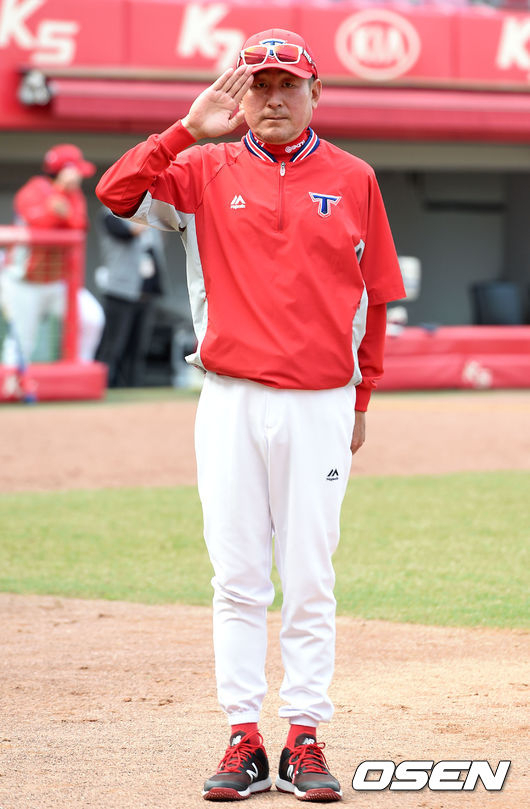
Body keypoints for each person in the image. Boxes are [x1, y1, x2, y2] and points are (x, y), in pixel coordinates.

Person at [96, 28, 405, 803]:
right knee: (236, 576)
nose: (272, 98)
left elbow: (375, 299)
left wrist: (361, 399)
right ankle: (244, 735)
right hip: (230, 397)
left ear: (315, 93)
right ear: (239, 94)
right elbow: (116, 193)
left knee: (309, 575)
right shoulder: (201, 169)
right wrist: (185, 128)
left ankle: (303, 734)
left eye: (287, 84)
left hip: (321, 402)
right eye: (258, 84)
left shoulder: (356, 177)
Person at [1, 144, 104, 367]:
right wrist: (59, 212)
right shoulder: (33, 190)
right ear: (63, 170)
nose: (79, 175)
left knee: (91, 318)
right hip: (25, 282)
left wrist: (62, 211)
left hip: (59, 282)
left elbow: (80, 226)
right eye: (75, 169)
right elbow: (40, 224)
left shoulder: (74, 195)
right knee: (21, 342)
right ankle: (12, 383)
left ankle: (79, 371)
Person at [95, 207, 165, 387]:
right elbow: (125, 233)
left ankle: (133, 386)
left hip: (146, 292)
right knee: (113, 345)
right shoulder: (110, 213)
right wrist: (148, 220)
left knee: (138, 347)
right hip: (120, 290)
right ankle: (104, 384)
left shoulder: (150, 213)